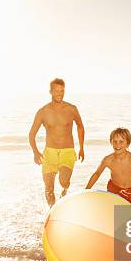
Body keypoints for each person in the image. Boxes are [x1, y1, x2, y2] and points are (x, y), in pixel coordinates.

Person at [29, 78, 85, 207]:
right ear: (50, 92)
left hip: (67, 151)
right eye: (56, 91)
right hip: (49, 153)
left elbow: (80, 126)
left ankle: (65, 190)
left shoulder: (71, 109)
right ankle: (52, 211)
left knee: (63, 181)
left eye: (62, 91)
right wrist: (36, 153)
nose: (60, 94)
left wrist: (81, 147)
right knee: (49, 189)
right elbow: (32, 134)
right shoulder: (43, 112)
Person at [86, 127, 131, 210]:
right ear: (111, 142)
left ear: (127, 144)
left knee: (125, 217)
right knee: (111, 215)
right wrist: (86, 190)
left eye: (121, 142)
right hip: (113, 189)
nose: (117, 145)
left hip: (129, 192)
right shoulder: (107, 160)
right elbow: (96, 174)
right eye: (115, 141)